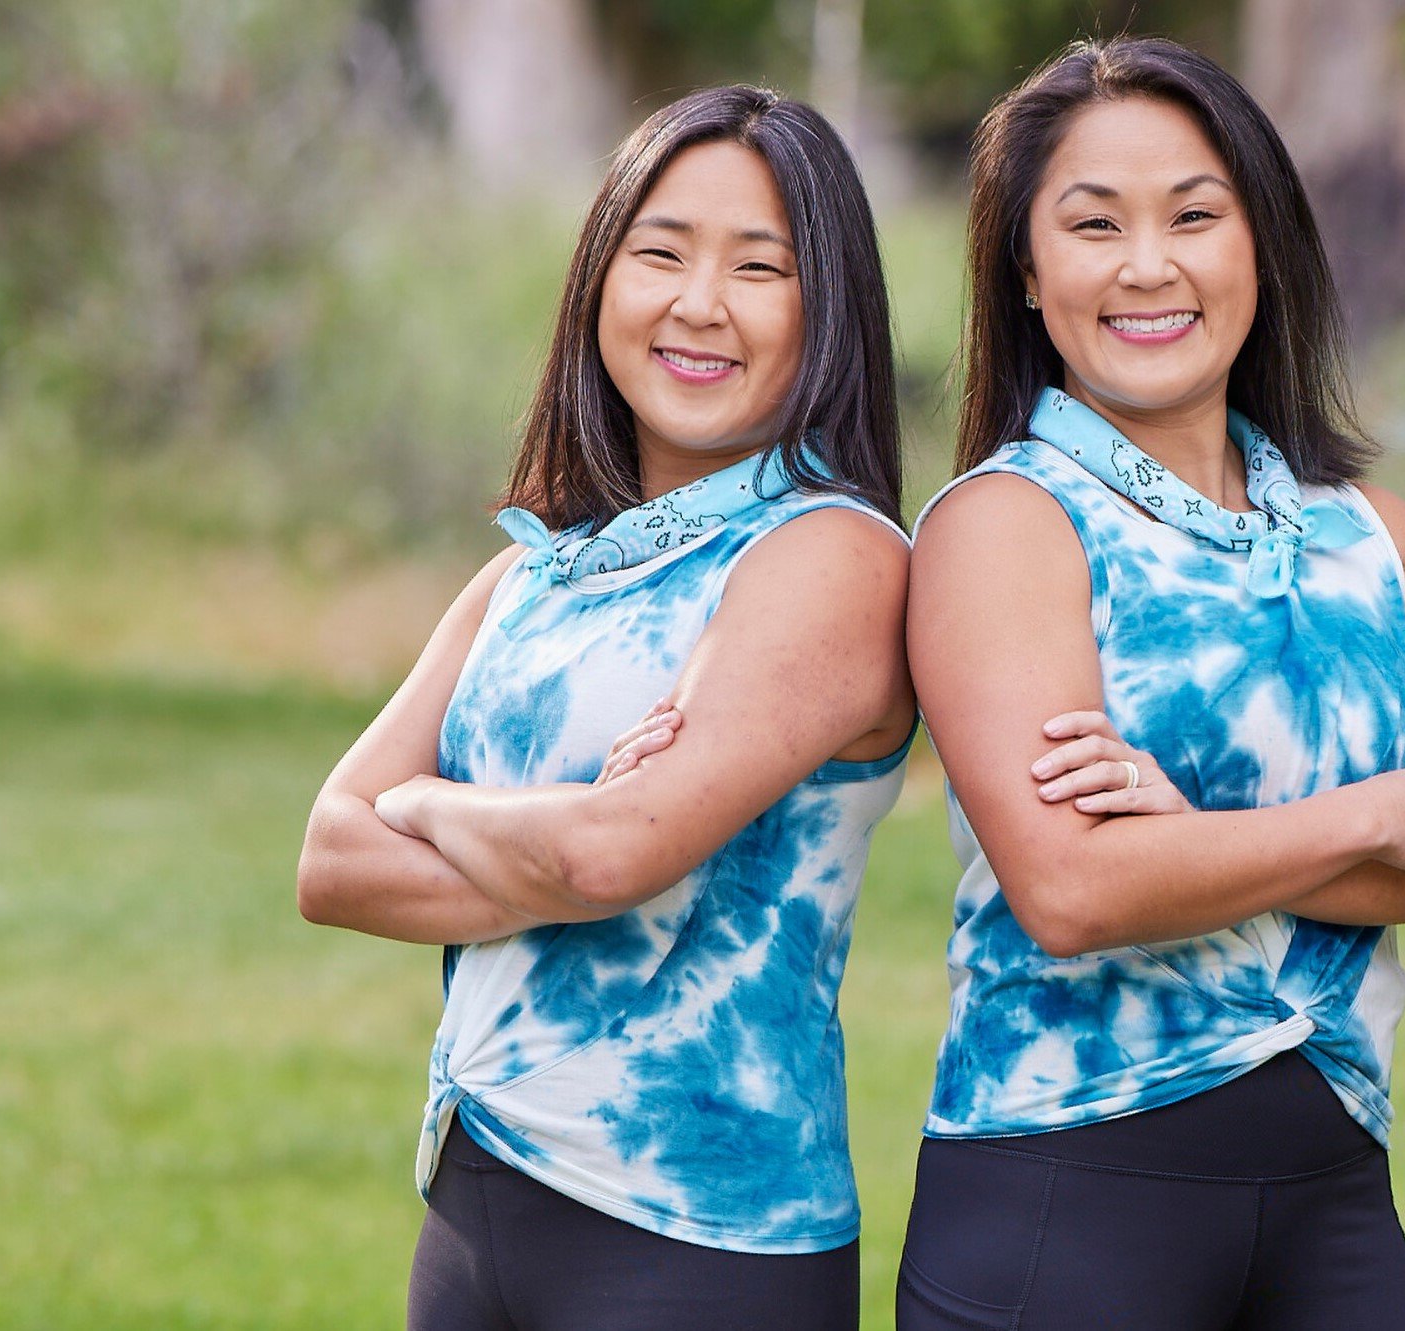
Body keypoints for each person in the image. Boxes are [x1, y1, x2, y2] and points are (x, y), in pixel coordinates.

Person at [895, 38, 1405, 1330]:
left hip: (1335, 1195)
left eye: (1195, 214)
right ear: (1027, 273)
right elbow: (1074, 887)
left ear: (1262, 245)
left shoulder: (1376, 533)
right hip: (1063, 1190)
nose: (1150, 264)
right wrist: (1372, 815)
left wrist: (1181, 843)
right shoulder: (1005, 524)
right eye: (1093, 224)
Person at [295, 84, 914, 1331]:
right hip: (477, 1198)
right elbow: (330, 857)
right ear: (599, 282)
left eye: (759, 266)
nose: (699, 303)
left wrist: (426, 803)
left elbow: (615, 849)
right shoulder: (535, 567)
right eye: (660, 253)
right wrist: (570, 847)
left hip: (697, 1235)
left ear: (824, 311)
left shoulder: (830, 555)